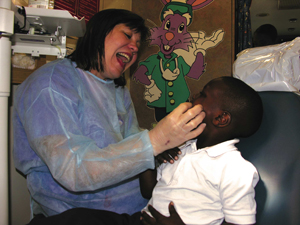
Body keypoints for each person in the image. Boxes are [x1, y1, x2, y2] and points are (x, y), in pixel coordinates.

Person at [13, 9, 206, 218]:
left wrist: (157, 150)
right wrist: (156, 140)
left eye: (138, 43)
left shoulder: (116, 90)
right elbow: (73, 171)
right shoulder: (50, 85)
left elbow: (130, 140)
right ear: (98, 32)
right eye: (127, 35)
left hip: (136, 206)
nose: (134, 48)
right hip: (79, 213)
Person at [26, 76, 263, 225]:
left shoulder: (234, 169)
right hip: (139, 219)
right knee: (75, 219)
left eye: (204, 93)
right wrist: (152, 157)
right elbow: (148, 190)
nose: (194, 96)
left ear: (221, 118)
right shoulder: (184, 148)